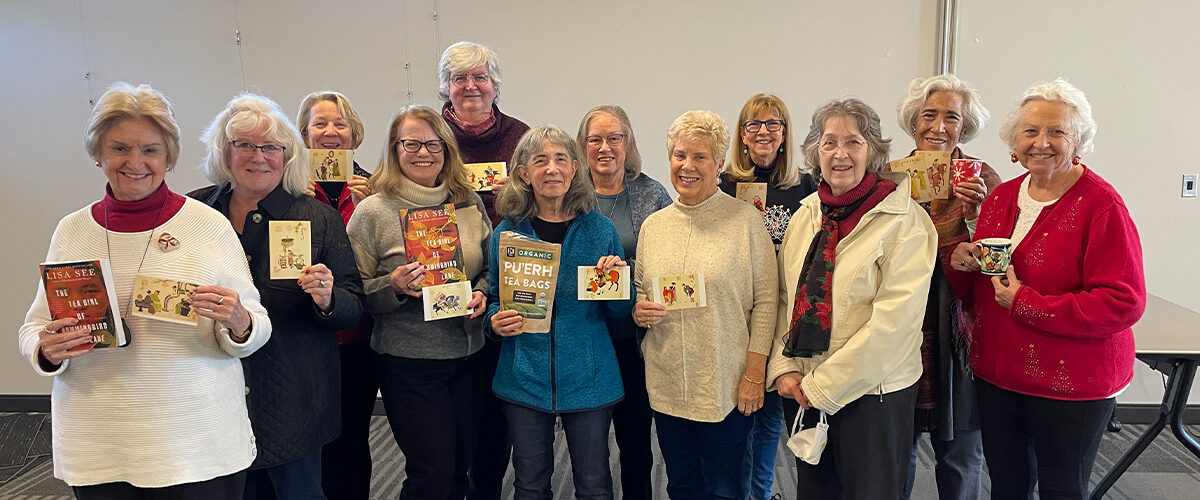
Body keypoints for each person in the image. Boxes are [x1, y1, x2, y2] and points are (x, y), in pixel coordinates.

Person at [18, 82, 272, 498]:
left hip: (193, 438)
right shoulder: (73, 229)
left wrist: (240, 321)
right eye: (120, 148)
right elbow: (34, 327)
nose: (135, 162)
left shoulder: (207, 226)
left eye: (150, 150)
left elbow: (257, 326)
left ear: (169, 157)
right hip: (99, 436)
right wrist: (45, 350)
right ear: (98, 153)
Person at [945, 79, 1146, 499]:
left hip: (1071, 382)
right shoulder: (1000, 198)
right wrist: (962, 262)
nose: (1042, 142)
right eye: (1031, 131)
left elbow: (1122, 303)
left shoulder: (1101, 206)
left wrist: (1025, 303)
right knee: (1008, 486)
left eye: (1057, 131)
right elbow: (985, 284)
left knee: (1061, 490)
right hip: (1000, 375)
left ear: (1079, 141)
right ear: (1014, 142)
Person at [189, 94, 364, 499]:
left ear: (288, 155)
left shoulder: (316, 217)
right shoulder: (194, 212)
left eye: (271, 147)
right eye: (245, 145)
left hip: (294, 393)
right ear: (224, 151)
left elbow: (353, 306)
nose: (259, 156)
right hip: (215, 387)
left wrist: (327, 298)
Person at [766, 98, 937, 499]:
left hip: (873, 397)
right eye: (829, 143)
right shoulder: (807, 213)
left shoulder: (907, 223)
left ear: (873, 151)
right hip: (806, 386)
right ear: (815, 152)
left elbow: (893, 327)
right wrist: (784, 365)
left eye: (853, 142)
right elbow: (783, 298)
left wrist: (823, 387)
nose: (840, 154)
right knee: (816, 492)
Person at [345, 104, 492, 500]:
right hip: (408, 362)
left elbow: (489, 266)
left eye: (433, 144)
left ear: (447, 150)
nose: (423, 152)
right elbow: (352, 291)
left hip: (467, 355)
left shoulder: (468, 202)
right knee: (432, 473)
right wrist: (392, 285)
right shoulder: (372, 212)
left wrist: (482, 290)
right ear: (394, 150)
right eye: (411, 143)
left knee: (461, 467)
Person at [632, 110, 777, 500]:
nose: (688, 166)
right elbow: (641, 291)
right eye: (680, 155)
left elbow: (766, 303)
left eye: (699, 157)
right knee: (681, 486)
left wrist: (753, 374)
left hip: (726, 389)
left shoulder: (745, 221)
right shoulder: (654, 226)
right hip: (667, 386)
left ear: (719, 163)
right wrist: (639, 309)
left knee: (727, 489)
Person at [483, 125, 631, 500]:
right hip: (524, 376)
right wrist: (494, 322)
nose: (551, 169)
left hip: (590, 376)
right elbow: (495, 299)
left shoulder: (600, 230)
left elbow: (618, 313)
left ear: (574, 169)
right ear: (523, 173)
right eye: (540, 161)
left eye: (561, 160)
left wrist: (616, 280)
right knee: (529, 484)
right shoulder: (507, 234)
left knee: (595, 483)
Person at [892, 74, 1002, 500]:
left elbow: (1001, 254)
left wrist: (977, 215)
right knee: (896, 446)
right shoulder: (891, 178)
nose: (938, 127)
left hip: (959, 325)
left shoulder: (984, 178)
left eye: (951, 118)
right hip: (903, 321)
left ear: (964, 125)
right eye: (929, 115)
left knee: (959, 451)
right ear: (913, 121)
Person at [437, 40, 531, 500]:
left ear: (495, 84)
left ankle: (488, 488)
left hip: (505, 287)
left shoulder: (520, 137)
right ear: (446, 88)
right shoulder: (429, 137)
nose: (470, 86)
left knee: (498, 412)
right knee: (449, 420)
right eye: (460, 78)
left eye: (479, 77)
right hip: (441, 288)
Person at [718, 93, 818, 500]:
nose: (763, 132)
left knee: (772, 413)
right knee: (738, 411)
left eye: (772, 124)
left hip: (787, 313)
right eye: (753, 125)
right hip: (737, 313)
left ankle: (760, 492)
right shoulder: (723, 186)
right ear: (741, 136)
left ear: (784, 134)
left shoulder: (806, 185)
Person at [575, 104, 671, 500]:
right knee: (589, 445)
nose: (605, 147)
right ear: (582, 146)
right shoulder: (568, 194)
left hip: (635, 335)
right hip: (585, 333)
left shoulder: (651, 192)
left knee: (635, 440)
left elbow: (668, 256)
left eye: (615, 137)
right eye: (595, 139)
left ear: (627, 143)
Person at [296, 90, 378, 500]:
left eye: (340, 124)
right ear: (304, 135)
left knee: (352, 437)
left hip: (358, 336)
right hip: (303, 337)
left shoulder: (375, 190)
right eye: (320, 124)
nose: (330, 132)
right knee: (306, 442)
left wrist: (367, 209)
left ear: (354, 135)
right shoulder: (286, 192)